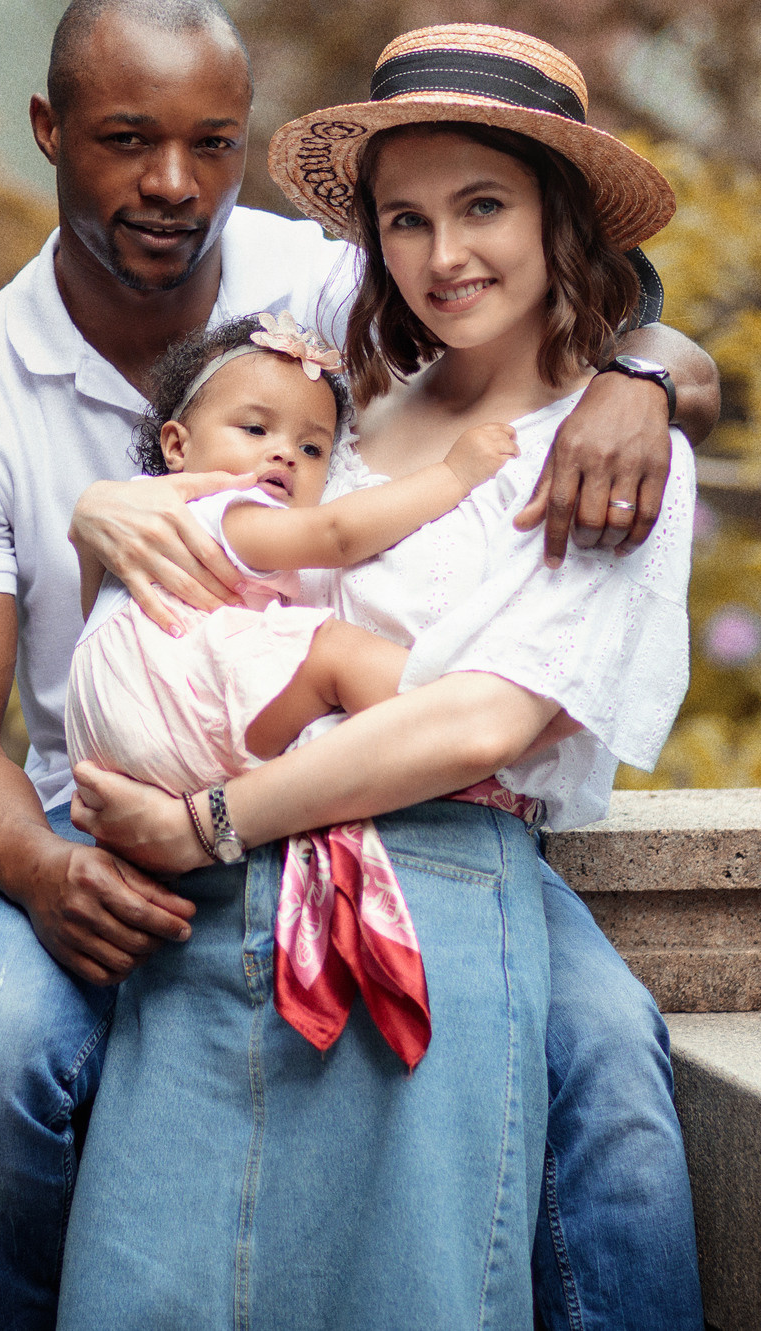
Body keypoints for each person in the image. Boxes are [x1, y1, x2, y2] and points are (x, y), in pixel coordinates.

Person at [0, 0, 715, 1330]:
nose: (171, 182)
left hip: (370, 787)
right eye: (125, 139)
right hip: (92, 803)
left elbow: (566, 298)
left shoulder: (327, 284)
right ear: (49, 127)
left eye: (212, 143)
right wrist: (52, 872)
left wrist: (644, 378)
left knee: (610, 1055)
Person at [64, 310, 527, 1069]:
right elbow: (339, 536)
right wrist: (455, 473)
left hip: (128, 739)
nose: (284, 452)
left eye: (313, 447)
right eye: (254, 429)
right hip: (183, 698)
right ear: (178, 445)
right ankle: (466, 734)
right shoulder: (219, 510)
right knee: (337, 655)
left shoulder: (146, 535)